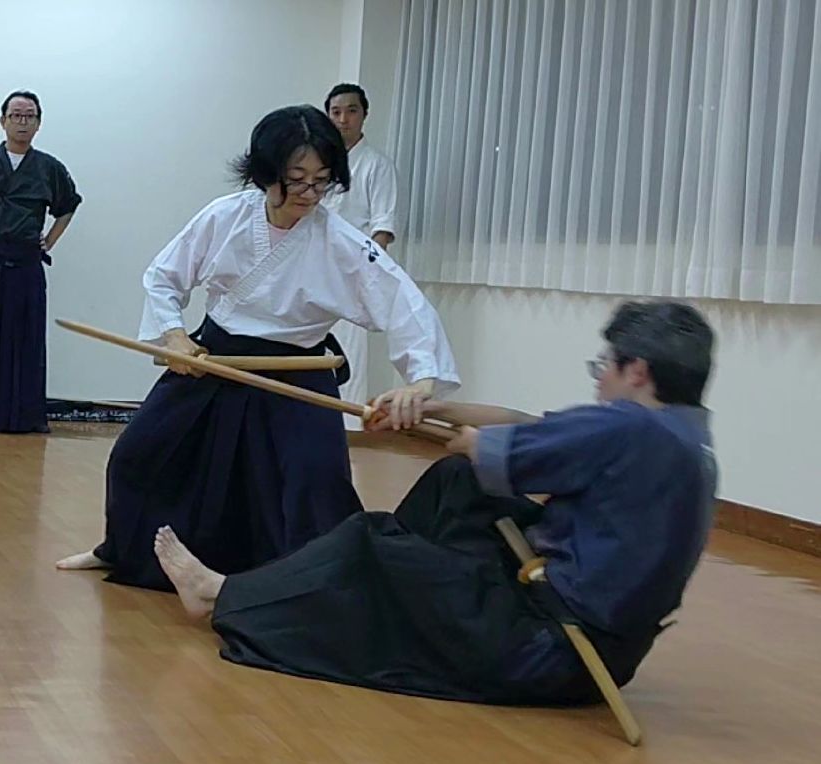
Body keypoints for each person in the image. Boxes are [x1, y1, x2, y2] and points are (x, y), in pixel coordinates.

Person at [152, 301, 718, 706]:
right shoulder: (683, 436)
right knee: (459, 483)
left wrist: (421, 424)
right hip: (603, 658)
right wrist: (428, 408)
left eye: (604, 368)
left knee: (366, 541)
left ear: (637, 371)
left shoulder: (626, 428)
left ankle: (221, 593)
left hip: (546, 646)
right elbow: (526, 425)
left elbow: (482, 445)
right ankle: (396, 594)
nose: (599, 382)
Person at [56, 105, 460, 591]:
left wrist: (421, 380)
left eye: (321, 181)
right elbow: (164, 277)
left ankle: (305, 587)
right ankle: (121, 548)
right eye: (297, 180)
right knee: (139, 453)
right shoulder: (225, 216)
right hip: (213, 359)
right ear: (266, 173)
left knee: (315, 479)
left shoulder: (342, 243)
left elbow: (404, 303)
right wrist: (176, 336)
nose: (309, 193)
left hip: (299, 370)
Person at [0, 90, 82, 433]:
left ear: (38, 123)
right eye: (16, 115)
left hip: (26, 262)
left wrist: (49, 241)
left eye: (29, 116)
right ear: (3, 121)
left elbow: (67, 207)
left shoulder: (50, 168)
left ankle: (23, 416)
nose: (22, 122)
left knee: (25, 338)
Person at [321, 83, 400, 431]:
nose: (343, 119)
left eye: (351, 111)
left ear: (364, 115)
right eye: (336, 112)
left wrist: (366, 275)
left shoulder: (376, 165)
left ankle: (349, 434)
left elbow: (383, 228)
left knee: (348, 355)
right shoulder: (319, 164)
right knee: (307, 351)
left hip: (353, 273)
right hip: (313, 271)